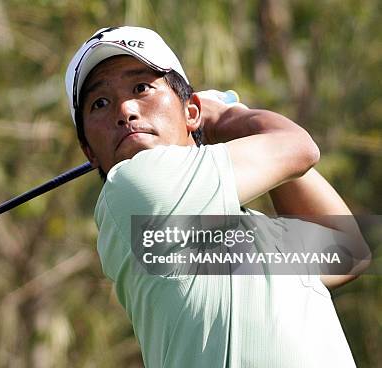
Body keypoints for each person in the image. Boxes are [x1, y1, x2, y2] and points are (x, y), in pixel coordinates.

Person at [65, 26, 368, 367]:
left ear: (191, 112)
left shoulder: (252, 231)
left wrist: (226, 126)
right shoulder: (133, 186)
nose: (125, 110)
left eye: (141, 87)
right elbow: (299, 147)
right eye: (100, 103)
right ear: (90, 152)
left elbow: (344, 251)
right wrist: (227, 117)